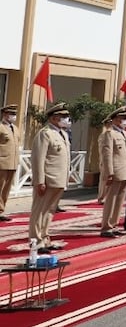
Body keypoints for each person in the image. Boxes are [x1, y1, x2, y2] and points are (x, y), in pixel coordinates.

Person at [29, 102, 71, 252]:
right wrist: (40, 181)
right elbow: (38, 158)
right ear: (54, 118)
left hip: (58, 179)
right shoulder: (45, 133)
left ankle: (45, 238)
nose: (67, 119)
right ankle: (36, 242)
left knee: (50, 211)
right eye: (63, 117)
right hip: (47, 179)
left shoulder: (62, 134)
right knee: (39, 211)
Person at [99, 107, 126, 238]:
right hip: (115, 171)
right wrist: (109, 173)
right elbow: (107, 155)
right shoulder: (109, 133)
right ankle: (106, 227)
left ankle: (114, 224)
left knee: (119, 200)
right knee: (111, 200)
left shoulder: (124, 133)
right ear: (115, 120)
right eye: (123, 118)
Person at [0, 104, 20, 222]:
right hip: (2, 162)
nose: (13, 116)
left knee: (6, 189)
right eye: (11, 114)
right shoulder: (1, 127)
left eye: (14, 114)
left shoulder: (15, 128)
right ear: (4, 114)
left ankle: (1, 210)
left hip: (12, 163)